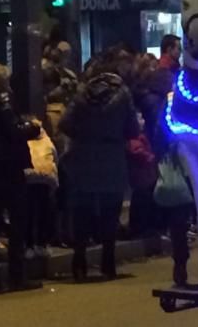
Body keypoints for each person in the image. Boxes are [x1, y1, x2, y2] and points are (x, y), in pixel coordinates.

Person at [59, 58, 140, 281]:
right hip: (112, 156)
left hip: (83, 156)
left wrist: (84, 135)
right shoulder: (123, 95)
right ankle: (108, 262)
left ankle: (79, 261)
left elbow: (64, 123)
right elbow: (132, 128)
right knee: (110, 211)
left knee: (81, 211)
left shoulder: (81, 94)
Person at [0, 64, 39, 292]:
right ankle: (17, 275)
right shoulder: (2, 102)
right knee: (19, 220)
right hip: (8, 167)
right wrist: (31, 128)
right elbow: (13, 131)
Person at [24, 119, 59, 258]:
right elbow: (56, 158)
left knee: (29, 213)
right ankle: (42, 244)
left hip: (27, 180)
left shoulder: (22, 141)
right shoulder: (47, 141)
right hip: (46, 181)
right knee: (45, 212)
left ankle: (29, 245)